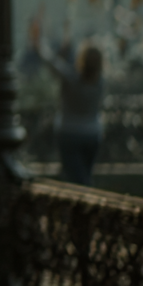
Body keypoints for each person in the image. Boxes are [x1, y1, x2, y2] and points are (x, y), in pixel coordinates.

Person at [29, 16, 104, 186]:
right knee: (85, 175)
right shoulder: (100, 83)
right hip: (93, 134)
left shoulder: (71, 79)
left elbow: (52, 62)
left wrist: (38, 43)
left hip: (69, 134)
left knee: (76, 180)